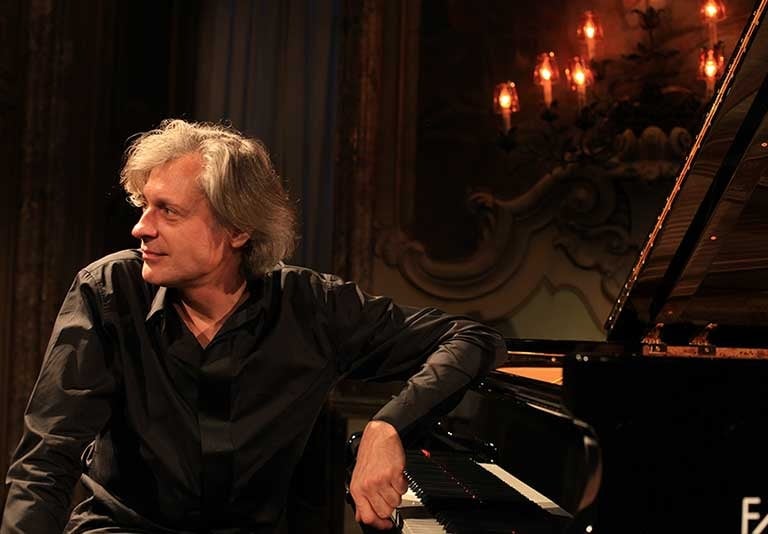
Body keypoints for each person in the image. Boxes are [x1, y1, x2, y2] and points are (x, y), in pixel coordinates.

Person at [1, 120, 506, 533]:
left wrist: (388, 425)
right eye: (144, 206)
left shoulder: (311, 305)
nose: (141, 228)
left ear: (238, 229)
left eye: (168, 212)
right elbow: (46, 462)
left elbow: (471, 337)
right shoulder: (109, 291)